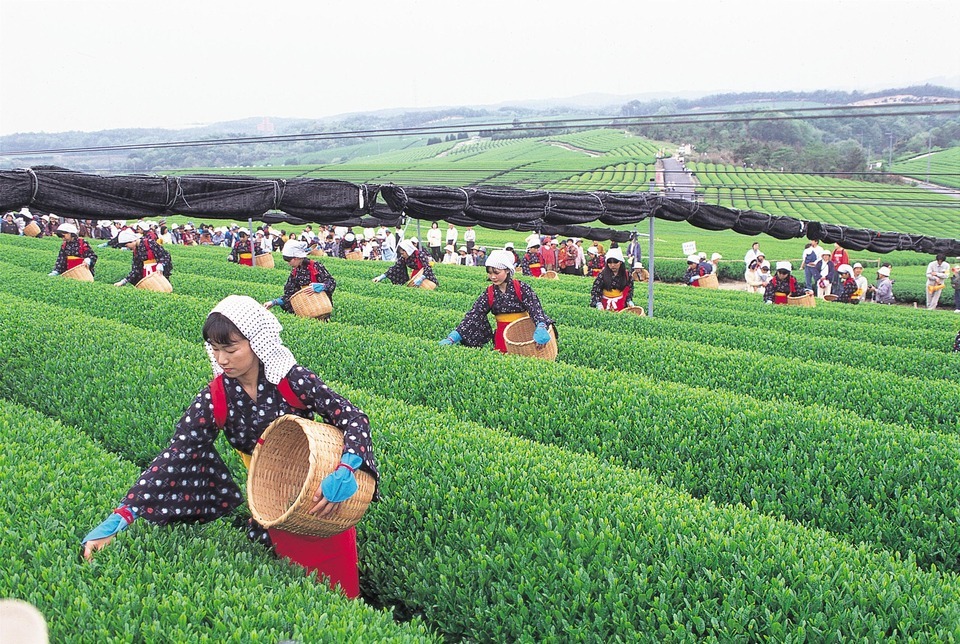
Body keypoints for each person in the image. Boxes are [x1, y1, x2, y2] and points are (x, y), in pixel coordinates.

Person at [80, 295, 380, 598]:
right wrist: (124, 515)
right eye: (215, 349)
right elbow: (178, 454)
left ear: (256, 342)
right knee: (293, 592)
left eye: (231, 348)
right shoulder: (216, 397)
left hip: (321, 493)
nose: (222, 359)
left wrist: (347, 466)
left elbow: (352, 417)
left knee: (339, 593)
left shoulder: (290, 380)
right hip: (270, 502)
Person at [438, 249, 556, 353]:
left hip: (524, 333)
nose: (493, 277)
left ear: (507, 271)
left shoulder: (521, 287)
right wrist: (455, 336)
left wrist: (540, 326)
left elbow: (535, 308)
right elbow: (475, 314)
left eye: (496, 272)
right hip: (502, 337)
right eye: (490, 273)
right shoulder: (489, 292)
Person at [263, 240, 337, 314]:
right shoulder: (295, 272)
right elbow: (290, 293)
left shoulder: (315, 266)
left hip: (320, 305)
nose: (288, 264)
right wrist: (274, 302)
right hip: (306, 308)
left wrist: (322, 286)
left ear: (296, 257)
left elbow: (331, 282)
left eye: (289, 260)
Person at [373, 239, 438, 286]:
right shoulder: (404, 258)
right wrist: (381, 277)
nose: (402, 255)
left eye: (403, 253)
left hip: (425, 276)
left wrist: (421, 278)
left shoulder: (420, 255)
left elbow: (428, 267)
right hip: (415, 276)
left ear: (408, 251)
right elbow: (395, 267)